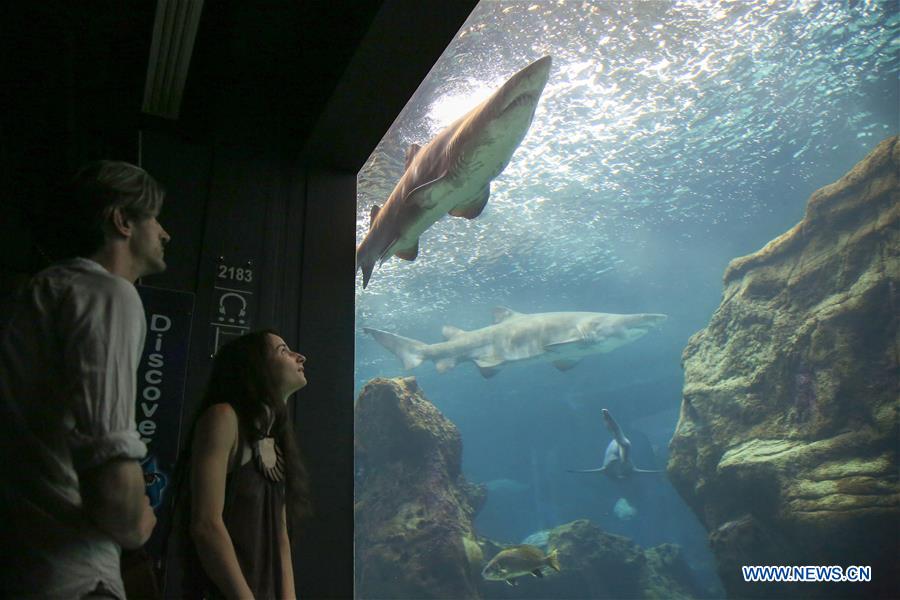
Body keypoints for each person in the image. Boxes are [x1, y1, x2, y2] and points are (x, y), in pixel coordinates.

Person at [0, 160, 171, 598]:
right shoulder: (108, 293)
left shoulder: (31, 294)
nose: (164, 233)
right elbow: (115, 487)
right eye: (153, 218)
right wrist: (139, 519)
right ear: (122, 221)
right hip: (74, 578)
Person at [184, 329, 312, 600]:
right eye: (283, 350)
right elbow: (206, 524)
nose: (300, 357)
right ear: (255, 367)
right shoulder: (223, 418)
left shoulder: (277, 442)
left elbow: (281, 538)